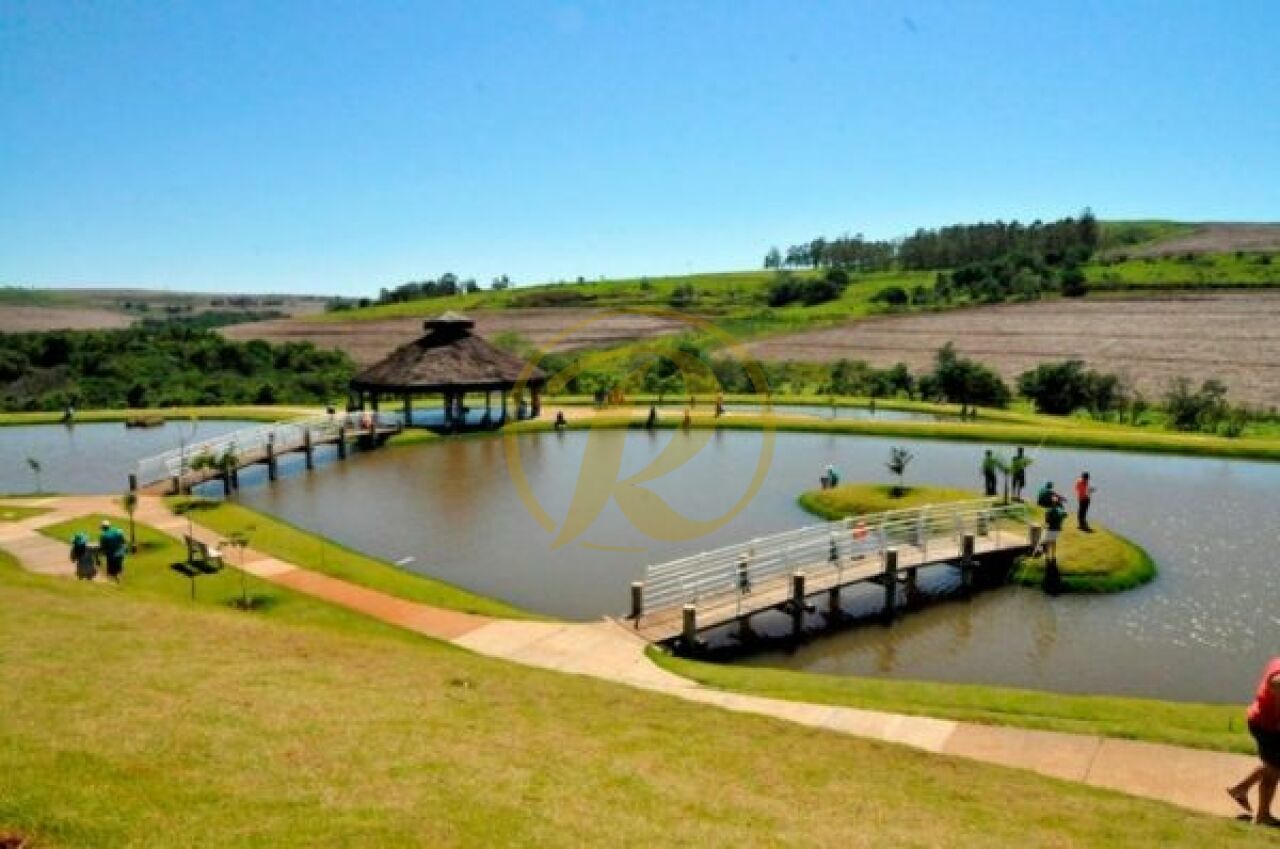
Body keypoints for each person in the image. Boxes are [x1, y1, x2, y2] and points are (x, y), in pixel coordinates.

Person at [1229, 657, 1280, 826]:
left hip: (1265, 723)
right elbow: (1276, 682)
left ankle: (1241, 789)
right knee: (1273, 767)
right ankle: (1261, 815)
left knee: (1273, 765)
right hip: (1266, 725)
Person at [1042, 496, 1067, 566]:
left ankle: (1047, 556)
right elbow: (1065, 515)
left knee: (1047, 542)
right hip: (1057, 529)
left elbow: (1047, 521)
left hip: (1050, 529)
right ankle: (1053, 556)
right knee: (1053, 541)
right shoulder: (1060, 510)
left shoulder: (1048, 511)